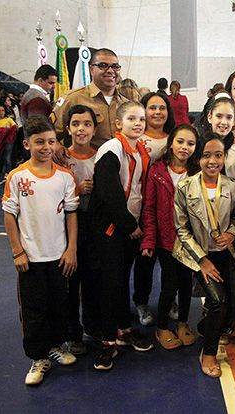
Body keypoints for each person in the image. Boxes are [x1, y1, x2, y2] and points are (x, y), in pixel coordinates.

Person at [2, 115, 79, 385]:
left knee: (59, 304)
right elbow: (9, 215)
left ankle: (56, 346)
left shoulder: (65, 177)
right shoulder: (17, 177)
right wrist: (17, 251)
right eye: (39, 142)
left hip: (59, 256)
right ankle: (38, 357)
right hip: (31, 258)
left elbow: (71, 214)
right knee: (34, 309)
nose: (46, 147)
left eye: (51, 141)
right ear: (27, 144)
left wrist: (71, 249)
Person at [89, 101, 153, 371]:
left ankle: (123, 329)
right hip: (111, 229)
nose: (138, 123)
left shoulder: (140, 149)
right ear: (118, 124)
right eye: (131, 119)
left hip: (128, 227)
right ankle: (107, 341)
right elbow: (109, 194)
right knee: (110, 283)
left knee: (121, 280)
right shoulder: (111, 149)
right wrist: (129, 225)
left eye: (141, 119)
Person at [173, 132, 235, 378]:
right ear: (198, 158)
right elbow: (181, 229)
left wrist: (231, 233)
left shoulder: (232, 186)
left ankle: (207, 325)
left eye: (218, 155)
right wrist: (202, 260)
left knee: (229, 307)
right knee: (217, 300)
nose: (213, 161)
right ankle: (208, 353)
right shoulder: (185, 187)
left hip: (226, 253)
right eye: (206, 155)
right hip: (199, 255)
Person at [141, 124, 200, 350]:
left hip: (190, 241)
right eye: (180, 142)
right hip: (166, 241)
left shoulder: (197, 172)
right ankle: (162, 326)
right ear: (171, 143)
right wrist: (149, 239)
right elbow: (149, 208)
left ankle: (183, 323)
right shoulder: (157, 171)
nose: (185, 147)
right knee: (169, 284)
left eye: (190, 143)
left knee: (186, 283)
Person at [132, 91, 177, 326]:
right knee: (145, 260)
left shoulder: (174, 139)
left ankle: (170, 301)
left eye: (162, 108)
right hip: (143, 209)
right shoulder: (135, 140)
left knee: (171, 261)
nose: (157, 112)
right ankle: (141, 302)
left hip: (169, 211)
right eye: (152, 108)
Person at [64, 105, 102, 354]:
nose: (81, 129)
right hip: (68, 225)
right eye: (76, 124)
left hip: (94, 224)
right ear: (68, 128)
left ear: (94, 129)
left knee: (92, 278)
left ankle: (92, 325)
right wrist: (77, 190)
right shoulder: (60, 158)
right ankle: (72, 332)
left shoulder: (101, 156)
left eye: (87, 124)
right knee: (71, 280)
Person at [52, 48, 128, 148]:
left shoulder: (126, 104)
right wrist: (58, 148)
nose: (110, 71)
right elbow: (50, 132)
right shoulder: (72, 99)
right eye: (103, 65)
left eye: (115, 67)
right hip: (84, 157)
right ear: (91, 69)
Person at [0, 104, 18, 175]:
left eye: (2, 110)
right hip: (0, 141)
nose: (1, 112)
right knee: (1, 156)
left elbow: (16, 127)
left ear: (5, 111)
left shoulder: (9, 119)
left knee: (7, 157)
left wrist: (9, 129)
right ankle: (0, 169)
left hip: (9, 140)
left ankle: (7, 172)